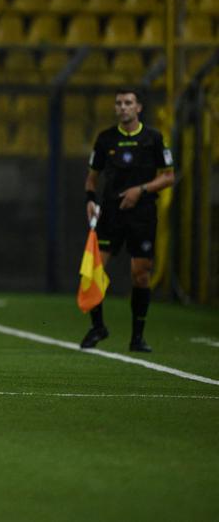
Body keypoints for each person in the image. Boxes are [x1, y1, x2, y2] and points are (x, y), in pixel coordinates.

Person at [81, 87, 174, 352]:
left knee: (140, 274)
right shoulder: (106, 139)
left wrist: (140, 190)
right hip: (111, 213)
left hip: (142, 214)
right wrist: (90, 199)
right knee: (94, 270)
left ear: (139, 107)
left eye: (128, 103)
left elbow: (168, 176)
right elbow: (92, 177)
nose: (123, 107)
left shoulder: (153, 139)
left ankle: (137, 337)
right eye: (119, 103)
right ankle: (98, 326)